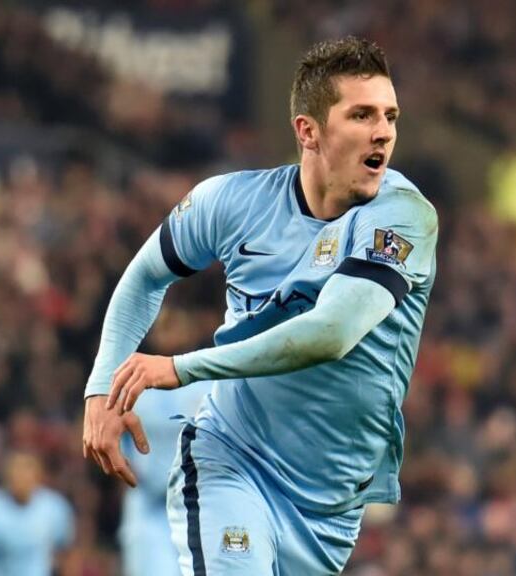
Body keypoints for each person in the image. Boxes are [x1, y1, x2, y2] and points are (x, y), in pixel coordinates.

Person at [81, 36, 438, 575]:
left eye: (390, 115)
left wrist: (180, 368)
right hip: (232, 458)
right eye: (361, 114)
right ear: (308, 130)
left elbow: (331, 333)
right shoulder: (231, 203)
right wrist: (102, 385)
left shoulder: (402, 217)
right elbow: (144, 276)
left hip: (331, 505)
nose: (383, 131)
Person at [118, 382, 213, 576]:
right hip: (148, 503)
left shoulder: (212, 382)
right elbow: (116, 440)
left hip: (201, 501)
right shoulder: (130, 381)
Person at [0, 452, 75, 576]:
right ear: (8, 477)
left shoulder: (54, 507)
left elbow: (66, 552)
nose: (21, 478)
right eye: (17, 473)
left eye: (26, 472)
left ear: (37, 476)